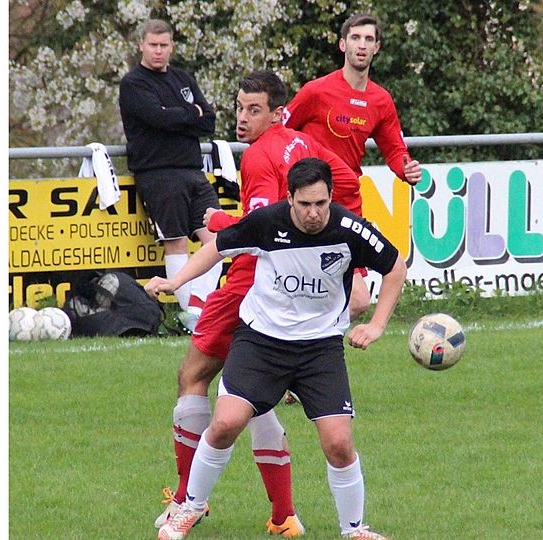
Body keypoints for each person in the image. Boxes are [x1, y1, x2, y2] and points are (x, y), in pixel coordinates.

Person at [151, 69, 364, 538]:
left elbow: (259, 228)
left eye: (254, 110)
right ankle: (283, 515)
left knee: (194, 377)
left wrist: (218, 220)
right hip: (288, 286)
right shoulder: (302, 144)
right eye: (239, 108)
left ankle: (186, 500)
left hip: (252, 283)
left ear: (277, 112)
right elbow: (348, 184)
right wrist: (353, 264)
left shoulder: (260, 156)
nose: (242, 119)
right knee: (252, 397)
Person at [149, 157, 407, 540]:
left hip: (320, 349)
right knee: (225, 424)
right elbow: (218, 247)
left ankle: (355, 530)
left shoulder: (349, 229)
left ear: (331, 197)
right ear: (290, 199)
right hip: (261, 343)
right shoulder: (268, 222)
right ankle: (189, 508)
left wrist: (377, 325)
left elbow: (395, 267)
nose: (313, 213)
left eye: (321, 203)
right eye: (305, 204)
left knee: (338, 443)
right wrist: (176, 282)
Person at [282, 13, 421, 320]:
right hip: (308, 203)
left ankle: (309, 341)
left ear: (377, 48)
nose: (362, 45)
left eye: (369, 39)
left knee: (357, 301)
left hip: (346, 203)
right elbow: (279, 132)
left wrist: (406, 169)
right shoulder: (316, 91)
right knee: (299, 288)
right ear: (342, 44)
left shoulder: (380, 100)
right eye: (356, 38)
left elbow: (395, 150)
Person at [118, 19, 223, 332]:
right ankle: (193, 318)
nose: (158, 51)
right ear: (141, 45)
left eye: (164, 45)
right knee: (176, 243)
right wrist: (191, 114)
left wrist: (179, 116)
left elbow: (209, 121)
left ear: (172, 46)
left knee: (220, 239)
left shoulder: (182, 78)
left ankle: (197, 310)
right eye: (153, 45)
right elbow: (157, 119)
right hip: (158, 174)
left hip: (193, 171)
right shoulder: (134, 83)